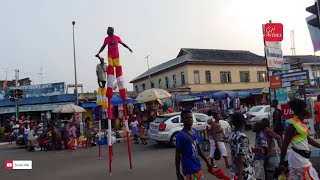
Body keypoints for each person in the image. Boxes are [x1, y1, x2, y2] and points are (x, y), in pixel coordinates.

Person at [279, 98, 320, 179]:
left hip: (301, 157)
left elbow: (308, 140)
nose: (308, 109)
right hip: (298, 158)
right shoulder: (292, 126)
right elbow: (285, 144)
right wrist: (281, 163)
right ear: (301, 110)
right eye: (305, 107)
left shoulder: (300, 123)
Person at [175, 110, 212, 180]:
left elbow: (198, 149)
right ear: (182, 120)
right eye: (187, 118)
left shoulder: (195, 131)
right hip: (189, 170)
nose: (190, 120)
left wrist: (207, 162)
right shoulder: (180, 136)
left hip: (197, 167)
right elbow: (177, 155)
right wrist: (178, 173)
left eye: (191, 117)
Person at [229, 112, 255, 180]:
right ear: (243, 122)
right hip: (244, 173)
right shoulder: (242, 137)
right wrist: (240, 177)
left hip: (235, 171)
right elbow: (240, 157)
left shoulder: (232, 135)